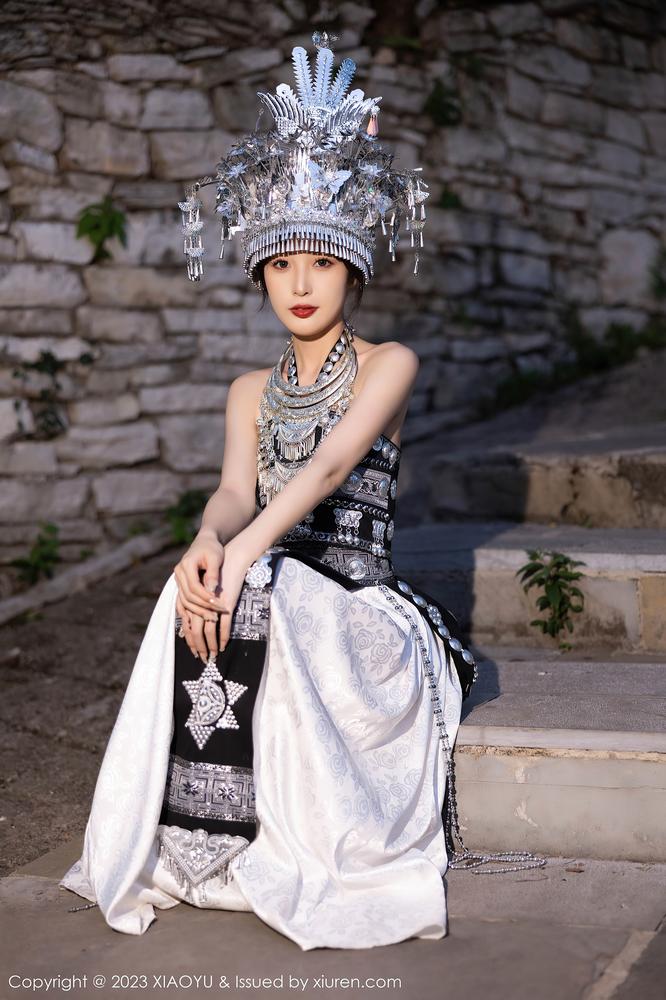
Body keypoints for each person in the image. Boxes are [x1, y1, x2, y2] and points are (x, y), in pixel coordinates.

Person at [59, 30, 545, 947]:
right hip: (273, 580)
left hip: (361, 607)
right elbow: (232, 493)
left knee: (258, 584)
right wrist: (210, 543)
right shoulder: (249, 390)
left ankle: (286, 841)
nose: (301, 284)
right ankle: (195, 839)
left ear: (352, 267)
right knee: (196, 582)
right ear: (261, 275)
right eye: (282, 264)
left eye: (320, 262)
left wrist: (243, 556)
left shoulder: (390, 364)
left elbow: (328, 469)